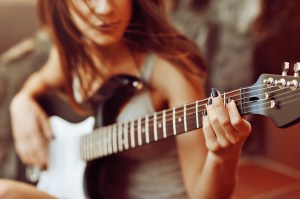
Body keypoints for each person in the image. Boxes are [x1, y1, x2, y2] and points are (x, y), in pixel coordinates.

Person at [0, 0, 251, 198]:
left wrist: (223, 157)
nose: (105, 7)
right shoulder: (70, 54)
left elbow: (203, 195)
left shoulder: (171, 72)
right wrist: (21, 101)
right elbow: (40, 81)